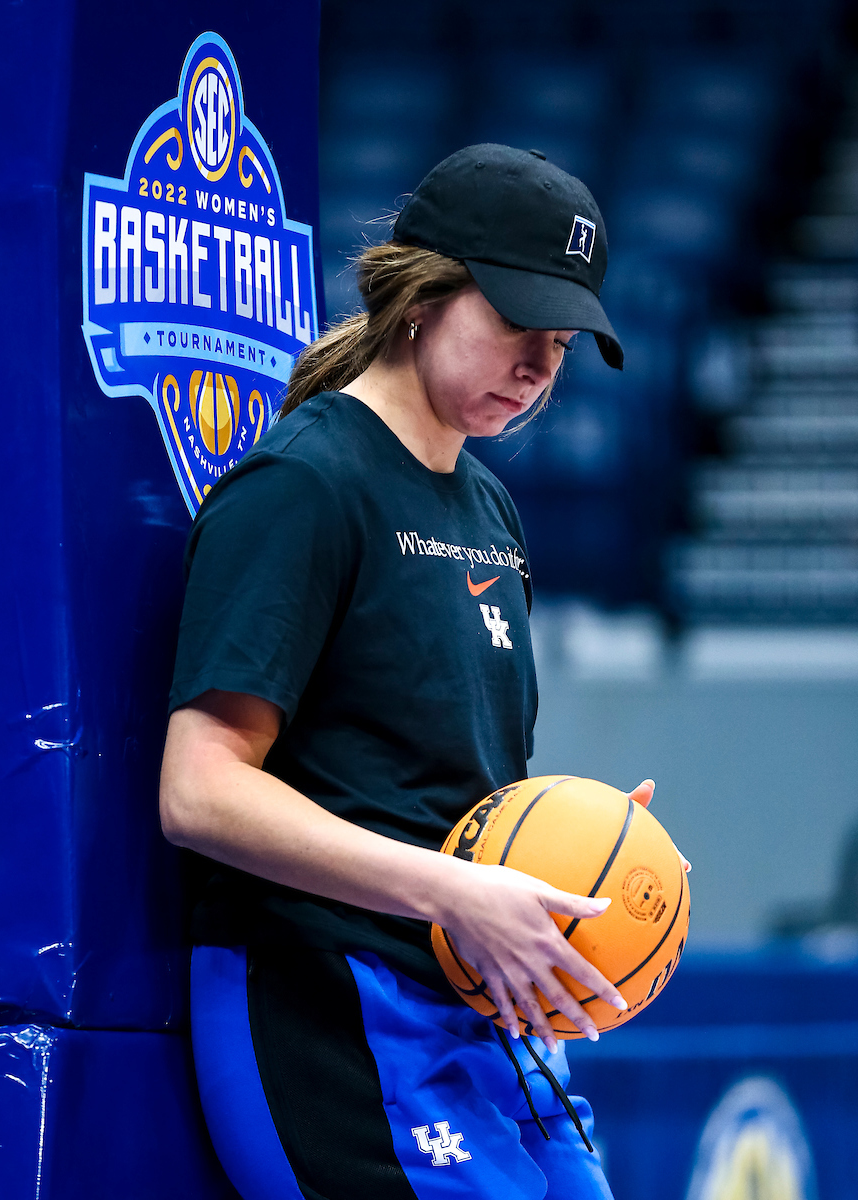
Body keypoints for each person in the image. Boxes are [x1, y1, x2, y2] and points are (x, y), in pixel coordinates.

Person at [159, 144, 651, 1200]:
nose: (540, 367)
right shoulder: (304, 484)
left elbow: (441, 786)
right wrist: (456, 890)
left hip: (474, 1007)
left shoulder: (489, 508)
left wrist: (573, 846)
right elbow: (199, 791)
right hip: (327, 994)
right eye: (518, 322)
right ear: (421, 294)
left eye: (560, 342)